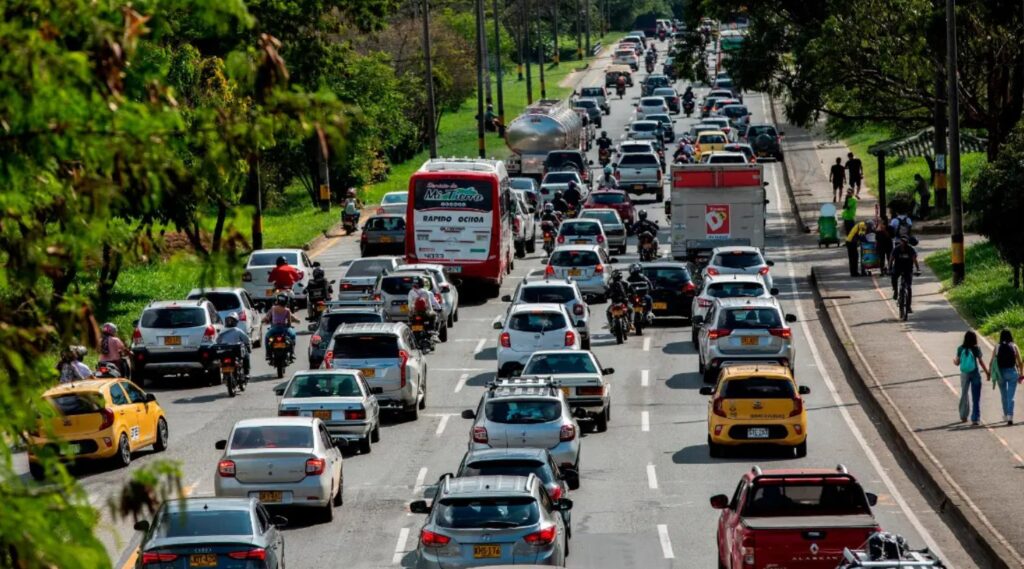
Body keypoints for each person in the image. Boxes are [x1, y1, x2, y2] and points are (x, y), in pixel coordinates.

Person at [954, 331, 989, 426]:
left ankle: (963, 415)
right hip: (975, 373)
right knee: (976, 397)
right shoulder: (976, 348)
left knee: (964, 394)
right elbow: (981, 362)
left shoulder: (960, 348)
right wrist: (987, 373)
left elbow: (957, 363)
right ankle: (975, 418)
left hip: (964, 374)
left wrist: (954, 360)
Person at [991, 329, 1023, 425]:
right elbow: (1020, 362)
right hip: (1012, 372)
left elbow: (992, 361)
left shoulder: (997, 347)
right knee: (1011, 396)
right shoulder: (1014, 346)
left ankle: (1005, 415)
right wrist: (1021, 373)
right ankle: (1010, 416)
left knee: (1004, 395)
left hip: (1000, 373)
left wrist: (990, 374)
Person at [216, 312, 252, 379]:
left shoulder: (222, 332)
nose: (229, 322)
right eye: (229, 320)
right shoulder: (238, 331)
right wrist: (248, 345)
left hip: (225, 353)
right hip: (235, 352)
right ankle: (246, 373)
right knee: (246, 355)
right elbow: (246, 339)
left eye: (231, 320)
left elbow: (217, 341)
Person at [263, 294, 299, 360]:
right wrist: (289, 325)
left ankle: (268, 354)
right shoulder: (287, 310)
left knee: (266, 337)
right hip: (284, 329)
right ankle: (292, 353)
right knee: (293, 335)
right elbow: (289, 322)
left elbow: (267, 317)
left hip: (274, 329)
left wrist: (263, 321)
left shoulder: (273, 308)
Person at [888, 236, 919, 312]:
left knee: (909, 287)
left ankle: (908, 306)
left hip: (908, 269)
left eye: (905, 243)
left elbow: (914, 260)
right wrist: (889, 268)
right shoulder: (896, 249)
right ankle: (895, 291)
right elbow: (891, 259)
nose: (903, 245)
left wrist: (918, 269)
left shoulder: (911, 250)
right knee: (894, 277)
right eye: (902, 242)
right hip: (898, 268)